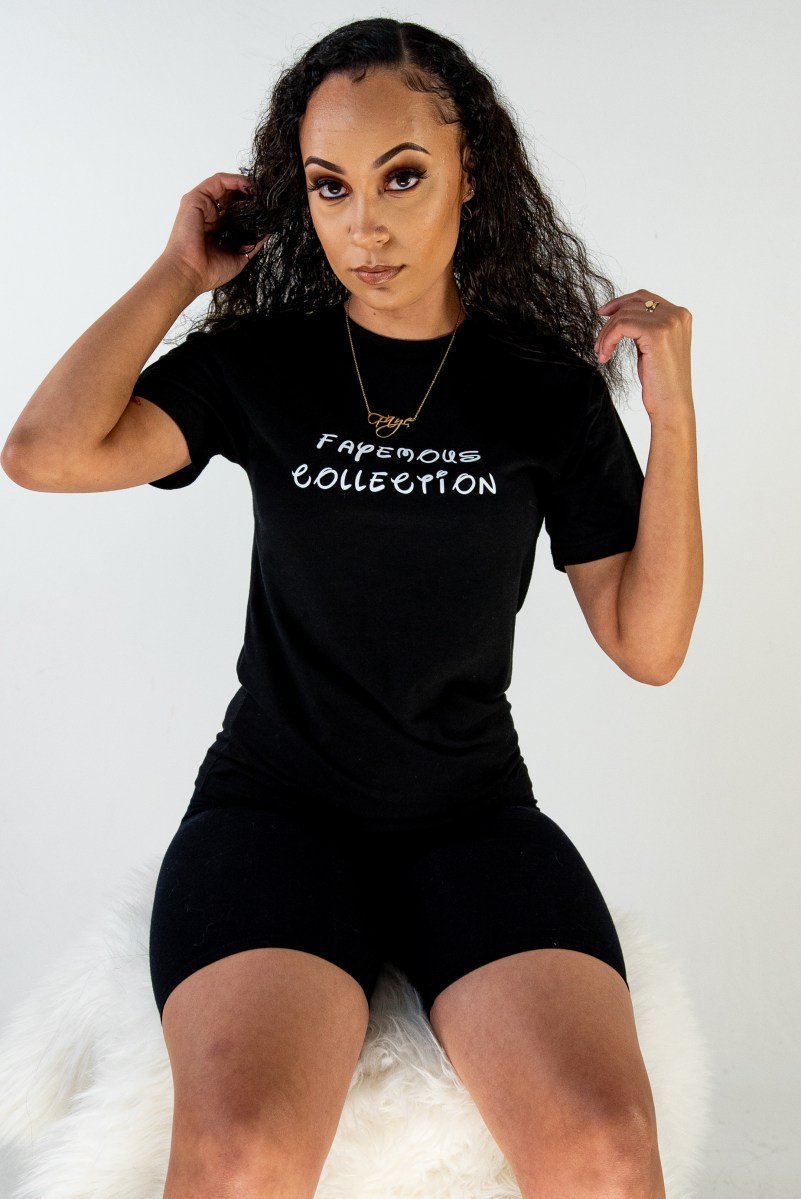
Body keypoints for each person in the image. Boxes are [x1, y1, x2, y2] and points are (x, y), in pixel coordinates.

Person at [1, 17, 701, 1199]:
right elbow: (43, 453)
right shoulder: (264, 361)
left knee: (605, 1146)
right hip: (275, 815)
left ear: (470, 172)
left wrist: (671, 417)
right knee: (242, 1154)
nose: (363, 226)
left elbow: (650, 643)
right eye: (330, 187)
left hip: (471, 818)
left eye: (402, 177)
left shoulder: (543, 390)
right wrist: (180, 274)